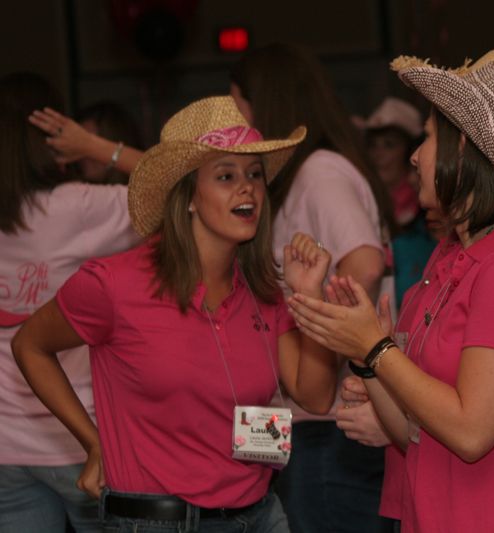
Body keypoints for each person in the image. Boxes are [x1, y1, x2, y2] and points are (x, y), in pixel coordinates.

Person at [286, 49, 494, 532]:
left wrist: (376, 346)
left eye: (427, 139)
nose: (413, 154)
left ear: (465, 149)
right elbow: (418, 434)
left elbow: (471, 431)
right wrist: (368, 360)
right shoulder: (453, 254)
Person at [11, 96, 339, 532]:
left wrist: (310, 297)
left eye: (255, 175)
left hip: (261, 515)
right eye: (226, 176)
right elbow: (29, 344)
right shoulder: (114, 284)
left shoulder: (264, 289)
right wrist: (93, 442)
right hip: (158, 521)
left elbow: (315, 397)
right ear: (186, 197)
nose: (248, 188)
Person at [230, 43, 395, 533]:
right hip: (304, 421)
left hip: (332, 426)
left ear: (264, 102)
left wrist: (316, 335)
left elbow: (364, 264)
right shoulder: (302, 176)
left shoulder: (319, 171)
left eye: (237, 102)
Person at [0, 72, 139, 533]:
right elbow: (188, 189)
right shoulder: (74, 206)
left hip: (6, 451)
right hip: (85, 439)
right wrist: (99, 148)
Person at [365, 97, 437, 303]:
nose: (379, 154)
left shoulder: (429, 207)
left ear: (410, 151)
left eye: (389, 145)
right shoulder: (364, 204)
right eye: (373, 146)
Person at [73, 101, 144, 185]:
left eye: (94, 144)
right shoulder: (74, 190)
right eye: (79, 143)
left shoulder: (144, 189)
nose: (83, 153)